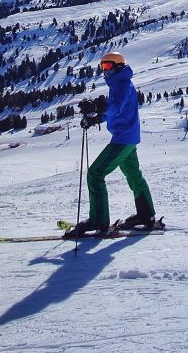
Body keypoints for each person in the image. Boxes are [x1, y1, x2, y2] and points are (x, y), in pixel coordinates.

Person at [65, 53, 156, 237]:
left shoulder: (121, 84)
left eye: (107, 66)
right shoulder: (119, 83)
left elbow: (116, 107)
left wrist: (98, 111)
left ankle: (99, 220)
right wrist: (97, 116)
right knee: (133, 174)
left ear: (118, 66)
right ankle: (146, 215)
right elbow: (114, 108)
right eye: (102, 67)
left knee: (95, 174)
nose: (104, 71)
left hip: (123, 139)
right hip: (127, 137)